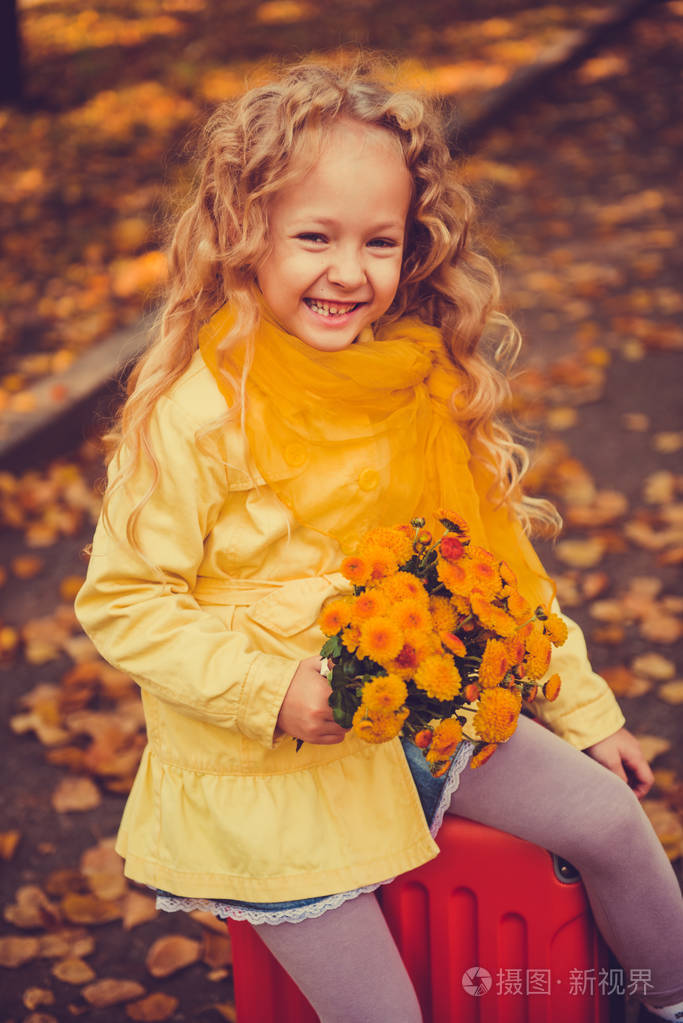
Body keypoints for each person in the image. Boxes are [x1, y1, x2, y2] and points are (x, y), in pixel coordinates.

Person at [75, 60, 683, 1023]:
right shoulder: (193, 416)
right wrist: (272, 691)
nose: (349, 272)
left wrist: (582, 706)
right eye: (314, 237)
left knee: (609, 818)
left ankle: (668, 999)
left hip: (421, 720)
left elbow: (493, 563)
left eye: (379, 242)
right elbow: (123, 601)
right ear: (243, 237)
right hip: (274, 781)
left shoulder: (410, 380)